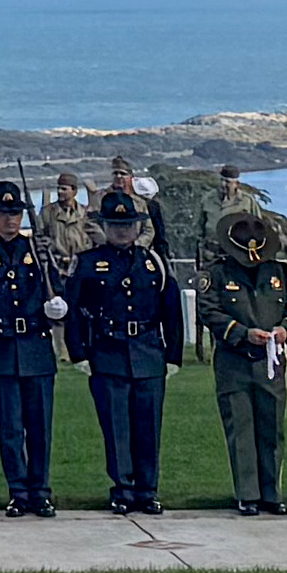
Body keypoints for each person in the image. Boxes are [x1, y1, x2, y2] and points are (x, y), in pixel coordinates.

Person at [64, 178, 179, 514]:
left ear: (137, 227)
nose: (122, 231)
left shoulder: (152, 262)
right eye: (116, 225)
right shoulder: (87, 263)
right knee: (116, 427)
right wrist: (79, 353)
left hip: (147, 352)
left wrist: (172, 356)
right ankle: (123, 488)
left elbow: (170, 311)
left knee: (148, 426)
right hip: (108, 352)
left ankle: (148, 489)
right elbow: (74, 312)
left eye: (128, 225)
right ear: (105, 227)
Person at [200, 181, 287, 518]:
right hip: (235, 361)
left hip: (271, 362)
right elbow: (210, 310)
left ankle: (271, 492)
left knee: (271, 428)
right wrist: (242, 333)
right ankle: (247, 494)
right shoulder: (218, 273)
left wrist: (284, 331)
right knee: (242, 430)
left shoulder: (278, 272)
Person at [0, 181, 63, 516]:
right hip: (1, 348)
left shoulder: (36, 248)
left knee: (39, 428)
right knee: (9, 428)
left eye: (16, 213)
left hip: (35, 346)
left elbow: (58, 288)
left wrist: (58, 306)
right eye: (4, 213)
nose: (11, 219)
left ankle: (41, 491)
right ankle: (18, 492)